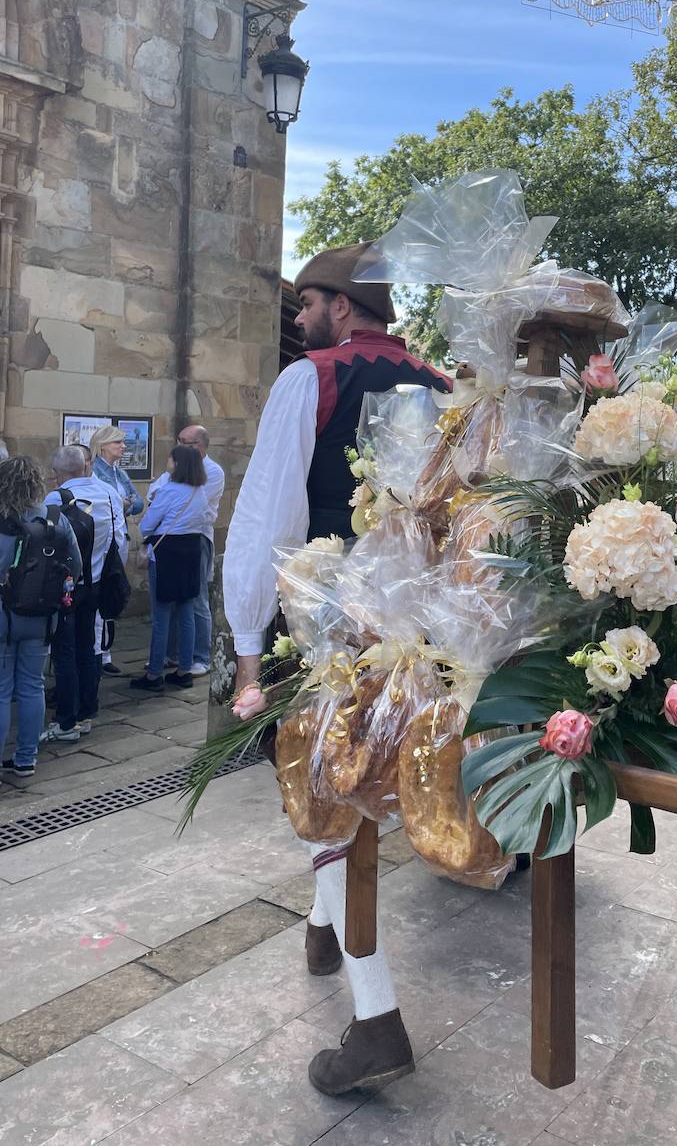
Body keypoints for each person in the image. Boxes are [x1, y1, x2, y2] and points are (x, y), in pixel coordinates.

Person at [223, 243, 451, 1097]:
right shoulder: (444, 386)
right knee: (362, 790)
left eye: (310, 301)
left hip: (332, 623)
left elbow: (267, 515)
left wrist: (250, 642)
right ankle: (322, 927)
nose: (301, 316)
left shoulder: (311, 377)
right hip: (424, 626)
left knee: (326, 794)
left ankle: (378, 1013)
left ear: (344, 309)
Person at [0, 456, 81, 784]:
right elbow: (75, 567)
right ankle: (25, 760)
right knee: (33, 686)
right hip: (41, 616)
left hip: (2, 617)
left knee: (2, 691)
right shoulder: (55, 518)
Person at [40, 446, 126, 743]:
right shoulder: (109, 494)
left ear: (58, 474)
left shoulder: (56, 498)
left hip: (67, 586)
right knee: (88, 647)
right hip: (96, 582)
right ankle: (88, 712)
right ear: (85, 467)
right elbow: (120, 540)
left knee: (64, 652)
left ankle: (66, 720)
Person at [130, 446, 207, 693]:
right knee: (186, 610)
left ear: (178, 463)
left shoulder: (169, 490)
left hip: (168, 552)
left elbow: (147, 525)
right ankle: (185, 669)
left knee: (161, 614)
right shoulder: (200, 492)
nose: (168, 461)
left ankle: (154, 673)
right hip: (191, 550)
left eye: (171, 458)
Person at [155, 424, 224, 675]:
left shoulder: (213, 471)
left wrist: (167, 498)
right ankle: (173, 653)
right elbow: (157, 494)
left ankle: (201, 657)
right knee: (171, 597)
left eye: (187, 443)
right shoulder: (173, 471)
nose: (180, 447)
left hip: (196, 539)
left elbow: (189, 502)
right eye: (179, 441)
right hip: (171, 538)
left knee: (196, 599)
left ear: (200, 446)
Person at [91, 425, 142, 677]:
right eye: (117, 443)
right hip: (102, 538)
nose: (123, 447)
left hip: (120, 538)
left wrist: (126, 505)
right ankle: (97, 652)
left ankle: (106, 651)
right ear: (103, 446)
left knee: (111, 592)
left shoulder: (119, 473)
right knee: (99, 592)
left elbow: (138, 502)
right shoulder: (94, 471)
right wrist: (121, 503)